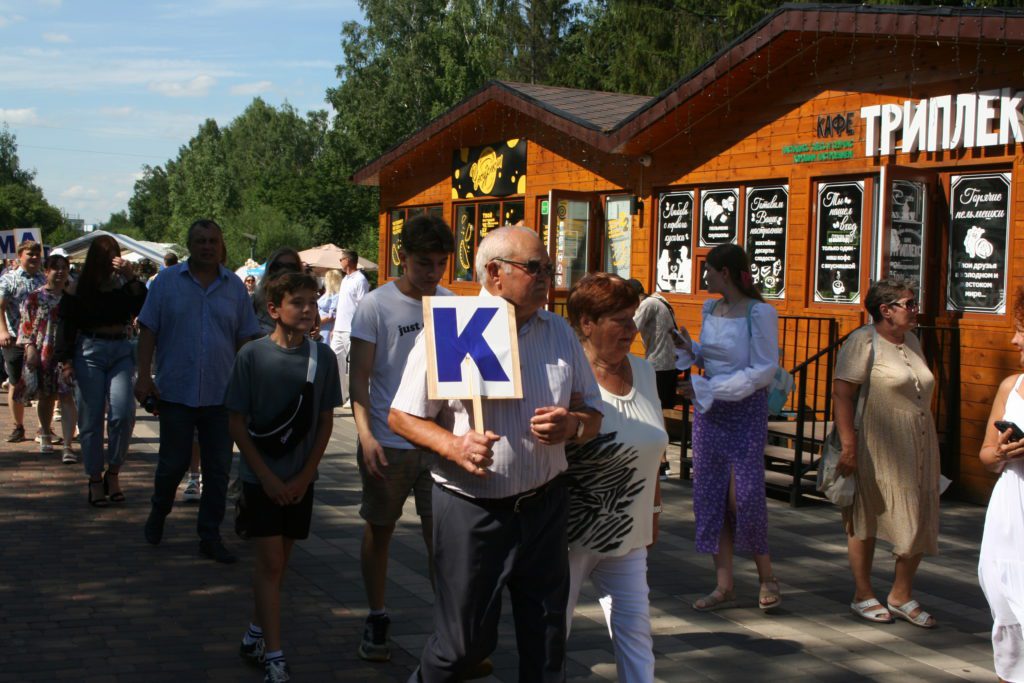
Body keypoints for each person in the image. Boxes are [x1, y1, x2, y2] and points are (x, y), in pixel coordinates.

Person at [389, 226, 603, 682]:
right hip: (473, 511)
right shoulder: (451, 326)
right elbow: (402, 416)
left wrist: (573, 426)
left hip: (544, 507)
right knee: (461, 646)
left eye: (548, 267)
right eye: (534, 268)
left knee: (546, 642)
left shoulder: (559, 331)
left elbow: (593, 413)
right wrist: (454, 444)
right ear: (494, 273)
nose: (547, 276)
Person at [349, 215, 454, 663]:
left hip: (436, 442)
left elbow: (457, 379)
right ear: (402, 258)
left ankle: (449, 631)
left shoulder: (451, 303)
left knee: (445, 541)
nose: (432, 274)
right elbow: (360, 380)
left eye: (440, 264)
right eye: (423, 263)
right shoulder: (376, 305)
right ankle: (376, 614)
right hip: (388, 442)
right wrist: (366, 435)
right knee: (380, 528)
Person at [227, 271, 341, 683]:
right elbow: (237, 422)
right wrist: (266, 478)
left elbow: (326, 422)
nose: (309, 310)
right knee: (271, 563)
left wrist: (305, 476)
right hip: (262, 481)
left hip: (299, 482)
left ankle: (255, 633)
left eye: (313, 302)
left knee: (278, 566)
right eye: (298, 302)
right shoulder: (252, 356)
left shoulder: (322, 358)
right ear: (274, 310)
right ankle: (274, 656)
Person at [136, 219, 262, 563]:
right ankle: (159, 510)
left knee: (219, 469)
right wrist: (143, 376)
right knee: (172, 465)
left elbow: (245, 338)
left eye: (213, 241)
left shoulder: (234, 287)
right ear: (190, 245)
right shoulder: (165, 283)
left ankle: (209, 535)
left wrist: (249, 384)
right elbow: (148, 330)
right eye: (200, 241)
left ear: (221, 245)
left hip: (222, 394)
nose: (207, 246)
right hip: (176, 390)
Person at [564, 273, 666, 682]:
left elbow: (653, 452)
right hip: (568, 536)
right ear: (587, 322)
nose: (632, 329)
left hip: (627, 535)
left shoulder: (644, 373)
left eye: (633, 318)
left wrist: (654, 514)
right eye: (620, 320)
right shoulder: (567, 374)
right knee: (554, 633)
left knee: (636, 633)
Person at [676, 243, 781, 612]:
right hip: (710, 408)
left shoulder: (760, 313)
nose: (703, 276)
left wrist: (711, 387)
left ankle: (767, 575)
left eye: (708, 269)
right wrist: (687, 347)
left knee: (745, 495)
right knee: (712, 493)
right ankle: (724, 586)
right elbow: (711, 356)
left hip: (745, 407)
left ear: (724, 272)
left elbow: (765, 368)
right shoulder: (711, 307)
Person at [832, 279, 939, 627]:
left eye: (913, 302)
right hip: (875, 442)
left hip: (919, 443)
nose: (914, 308)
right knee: (866, 515)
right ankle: (862, 594)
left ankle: (900, 594)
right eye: (908, 303)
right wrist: (848, 444)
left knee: (919, 513)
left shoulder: (912, 339)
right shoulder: (862, 341)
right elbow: (842, 395)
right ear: (886, 310)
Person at [56, 236, 147, 507]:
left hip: (120, 349)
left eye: (114, 256)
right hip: (89, 351)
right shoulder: (79, 288)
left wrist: (131, 278)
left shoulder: (122, 284)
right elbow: (66, 325)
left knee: (122, 412)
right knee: (91, 417)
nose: (111, 263)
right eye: (107, 257)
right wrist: (66, 361)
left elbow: (143, 306)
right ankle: (95, 478)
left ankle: (114, 471)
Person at [980, 286, 1024, 682]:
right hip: (1011, 507)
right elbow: (985, 454)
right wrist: (1002, 452)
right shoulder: (1011, 385)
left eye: (1022, 330)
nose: (1014, 339)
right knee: (1005, 610)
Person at [18, 253, 77, 462]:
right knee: (46, 395)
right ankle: (45, 432)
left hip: (67, 352)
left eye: (64, 267)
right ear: (47, 271)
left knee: (67, 396)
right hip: (43, 350)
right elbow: (25, 326)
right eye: (55, 267)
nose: (60, 272)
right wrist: (30, 348)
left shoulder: (73, 297)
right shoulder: (34, 297)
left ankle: (68, 445)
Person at [629, 278, 680, 480]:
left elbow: (630, 327)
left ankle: (660, 462)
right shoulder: (661, 301)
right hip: (669, 365)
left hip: (658, 365)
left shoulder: (648, 304)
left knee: (652, 412)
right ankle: (662, 463)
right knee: (657, 411)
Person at [0, 240, 45, 442]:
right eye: (30, 254)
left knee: (44, 386)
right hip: (14, 339)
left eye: (37, 253)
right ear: (20, 256)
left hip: (41, 340)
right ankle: (18, 426)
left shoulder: (44, 279)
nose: (34, 257)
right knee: (16, 382)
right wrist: (2, 332)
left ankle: (44, 427)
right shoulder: (8, 279)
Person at [331, 249, 368, 406]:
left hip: (352, 329)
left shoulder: (360, 280)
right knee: (334, 360)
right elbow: (343, 306)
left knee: (353, 364)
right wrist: (334, 327)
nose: (340, 262)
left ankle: (354, 397)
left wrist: (360, 329)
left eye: (341, 259)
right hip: (339, 328)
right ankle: (340, 394)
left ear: (348, 260)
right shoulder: (345, 279)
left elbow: (363, 305)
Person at [253, 248, 303, 335]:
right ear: (269, 270)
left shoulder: (307, 304)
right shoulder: (254, 302)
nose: (283, 271)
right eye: (277, 266)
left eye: (291, 267)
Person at [317, 269, 342, 346]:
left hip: (326, 328)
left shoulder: (337, 295)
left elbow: (332, 316)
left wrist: (316, 323)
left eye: (326, 278)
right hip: (321, 328)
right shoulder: (328, 293)